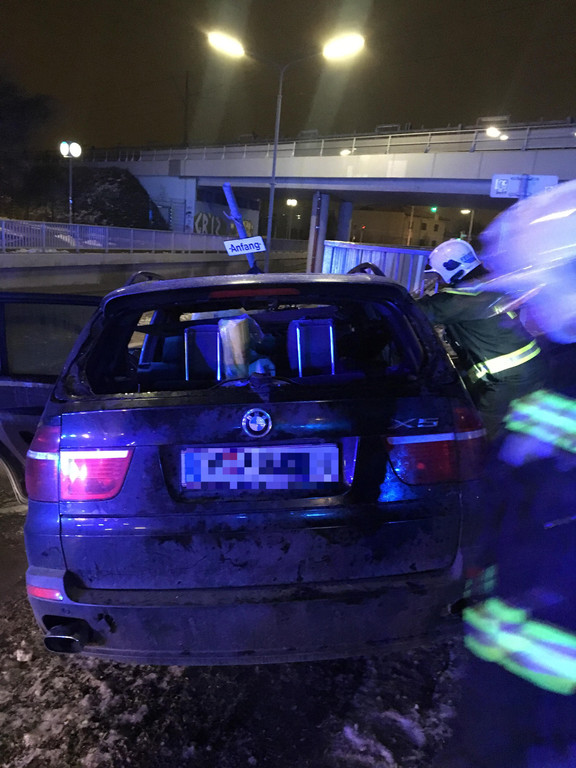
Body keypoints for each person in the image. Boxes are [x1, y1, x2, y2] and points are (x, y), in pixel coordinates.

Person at [431, 180, 576, 768]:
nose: (519, 310)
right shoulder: (554, 391)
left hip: (537, 728)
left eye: (531, 292)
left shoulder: (558, 402)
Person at [418, 238, 547, 440]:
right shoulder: (485, 285)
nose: (439, 280)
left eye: (439, 275)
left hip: (508, 379)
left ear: (452, 269)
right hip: (530, 369)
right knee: (517, 431)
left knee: (481, 434)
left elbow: (417, 312)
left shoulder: (460, 298)